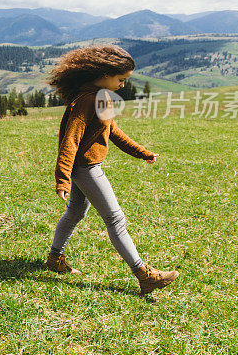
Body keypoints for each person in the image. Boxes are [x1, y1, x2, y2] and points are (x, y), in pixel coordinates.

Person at [45, 45, 179, 294]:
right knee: (115, 218)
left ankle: (54, 259)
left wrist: (143, 152)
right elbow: (70, 140)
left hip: (84, 167)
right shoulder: (86, 100)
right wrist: (62, 178)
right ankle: (144, 274)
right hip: (86, 168)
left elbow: (113, 131)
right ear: (104, 73)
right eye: (121, 79)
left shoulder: (100, 96)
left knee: (75, 212)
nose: (123, 85)